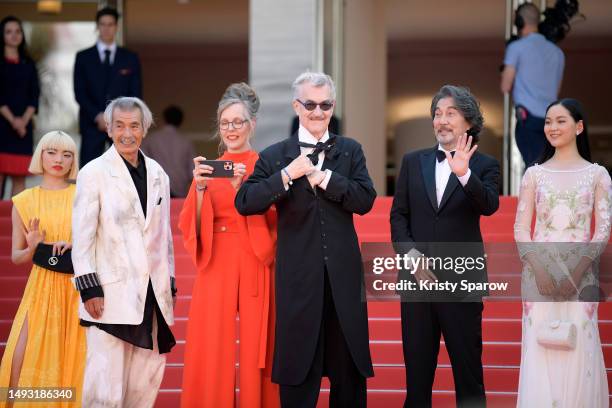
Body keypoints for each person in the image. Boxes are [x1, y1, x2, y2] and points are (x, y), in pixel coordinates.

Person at [236, 72, 376, 408]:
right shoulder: (275, 155)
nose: (317, 111)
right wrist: (287, 175)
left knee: (348, 372)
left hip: (344, 280)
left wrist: (325, 177)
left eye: (325, 104)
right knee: (299, 370)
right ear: (296, 106)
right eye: (310, 104)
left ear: (333, 106)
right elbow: (246, 202)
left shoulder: (350, 150)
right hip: (298, 281)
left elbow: (365, 200)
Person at [390, 85, 500, 408]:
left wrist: (464, 174)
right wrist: (413, 260)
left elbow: (490, 205)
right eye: (437, 113)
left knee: (468, 377)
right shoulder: (412, 162)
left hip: (461, 282)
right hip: (417, 285)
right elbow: (399, 217)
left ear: (468, 121)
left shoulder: (485, 165)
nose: (442, 120)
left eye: (450, 113)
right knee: (418, 380)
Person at [178, 83, 279, 407]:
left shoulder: (266, 165)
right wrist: (201, 189)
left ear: (252, 124)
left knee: (256, 344)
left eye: (238, 122)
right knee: (210, 342)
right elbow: (188, 222)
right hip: (216, 256)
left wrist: (242, 189)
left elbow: (278, 216)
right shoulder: (208, 167)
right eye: (225, 123)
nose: (231, 129)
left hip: (253, 252)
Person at [71, 97, 176, 408]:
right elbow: (82, 237)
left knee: (145, 382)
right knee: (104, 385)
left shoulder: (158, 173)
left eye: (134, 125)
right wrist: (89, 287)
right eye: (119, 125)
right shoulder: (94, 172)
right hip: (108, 296)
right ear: (108, 128)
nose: (127, 133)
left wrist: (168, 282)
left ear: (144, 129)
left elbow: (164, 236)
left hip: (152, 294)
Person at [514, 98, 610, 407]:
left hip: (581, 278)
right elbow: (521, 230)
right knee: (539, 347)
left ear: (579, 127)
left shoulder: (598, 175)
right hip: (537, 278)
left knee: (579, 344)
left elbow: (602, 230)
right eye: (548, 121)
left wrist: (580, 271)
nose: (552, 127)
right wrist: (539, 270)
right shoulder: (534, 175)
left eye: (560, 121)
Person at [0, 131, 84, 408]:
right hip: (40, 287)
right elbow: (17, 257)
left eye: (67, 154)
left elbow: (98, 240)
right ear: (40, 155)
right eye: (51, 152)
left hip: (75, 288)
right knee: (18, 356)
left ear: (73, 160)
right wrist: (33, 246)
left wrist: (74, 243)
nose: (59, 159)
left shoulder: (82, 195)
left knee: (71, 357)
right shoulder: (23, 200)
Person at [74, 7, 142, 168]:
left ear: (116, 27)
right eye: (103, 24)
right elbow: (79, 92)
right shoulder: (83, 57)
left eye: (110, 24)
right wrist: (98, 116)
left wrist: (117, 119)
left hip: (122, 125)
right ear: (97, 27)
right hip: (91, 124)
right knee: (89, 171)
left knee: (125, 170)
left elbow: (135, 94)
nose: (106, 28)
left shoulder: (130, 58)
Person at [500, 3, 564, 167]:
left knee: (534, 171)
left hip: (528, 120)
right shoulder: (557, 52)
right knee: (549, 168)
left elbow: (505, 86)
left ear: (519, 22)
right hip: (552, 120)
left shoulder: (516, 48)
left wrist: (506, 68)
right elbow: (556, 90)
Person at [0, 16, 39, 198]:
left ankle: (15, 225)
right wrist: (13, 120)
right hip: (2, 127)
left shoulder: (29, 64)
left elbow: (34, 96)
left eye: (18, 31)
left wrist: (22, 121)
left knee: (19, 180)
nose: (14, 35)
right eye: (9, 32)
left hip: (23, 130)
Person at [141, 105, 195, 197]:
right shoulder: (185, 142)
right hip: (180, 189)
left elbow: (141, 165)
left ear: (164, 118)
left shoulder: (152, 139)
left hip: (157, 189)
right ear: (181, 121)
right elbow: (192, 171)